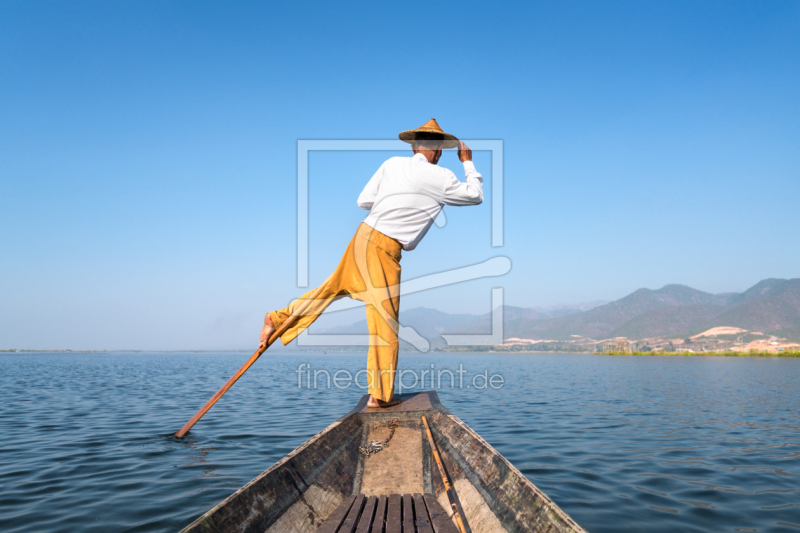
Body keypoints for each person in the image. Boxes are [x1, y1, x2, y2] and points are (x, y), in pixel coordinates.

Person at [259, 119, 483, 407]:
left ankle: (278, 318)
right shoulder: (441, 176)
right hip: (384, 248)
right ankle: (380, 396)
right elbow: (475, 196)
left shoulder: (391, 164)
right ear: (439, 151)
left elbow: (364, 201)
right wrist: (468, 163)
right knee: (384, 323)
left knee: (331, 289)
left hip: (362, 236)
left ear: (414, 146)